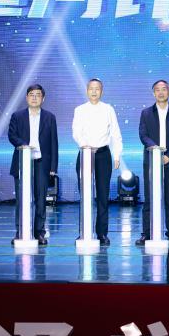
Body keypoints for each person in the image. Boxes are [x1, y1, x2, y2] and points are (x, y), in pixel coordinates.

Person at [71, 78, 122, 246]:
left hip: (103, 154)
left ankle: (102, 233)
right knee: (85, 195)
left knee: (102, 195)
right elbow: (76, 131)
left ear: (102, 91)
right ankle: (84, 232)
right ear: (87, 91)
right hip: (85, 153)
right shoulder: (79, 110)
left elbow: (115, 133)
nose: (94, 91)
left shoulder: (108, 109)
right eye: (91, 88)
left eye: (97, 89)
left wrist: (116, 155)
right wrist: (84, 145)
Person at [7, 84, 58, 245]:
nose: (34, 97)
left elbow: (54, 143)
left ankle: (39, 232)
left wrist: (53, 167)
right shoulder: (17, 116)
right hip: (23, 162)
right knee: (21, 200)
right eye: (31, 94)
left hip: (42, 163)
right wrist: (24, 146)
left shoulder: (49, 117)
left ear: (43, 98)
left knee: (41, 200)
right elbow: (12, 135)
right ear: (26, 97)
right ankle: (21, 231)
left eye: (38, 95)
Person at [138, 80, 169, 247]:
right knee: (149, 199)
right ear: (153, 93)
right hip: (151, 161)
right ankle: (146, 233)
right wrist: (155, 151)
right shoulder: (146, 113)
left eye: (164, 89)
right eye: (157, 90)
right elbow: (143, 135)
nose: (161, 92)